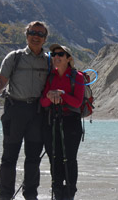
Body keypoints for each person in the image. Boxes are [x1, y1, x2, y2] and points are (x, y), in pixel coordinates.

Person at [0, 21, 49, 200]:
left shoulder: (48, 60)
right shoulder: (14, 57)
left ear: (45, 39)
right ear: (26, 35)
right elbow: (1, 81)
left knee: (33, 158)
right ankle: (4, 196)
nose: (36, 36)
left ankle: (30, 195)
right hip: (15, 110)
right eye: (33, 32)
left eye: (40, 34)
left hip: (37, 113)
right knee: (9, 157)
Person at [40, 44, 84, 200]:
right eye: (53, 54)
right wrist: (50, 97)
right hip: (52, 122)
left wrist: (61, 94)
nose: (56, 57)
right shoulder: (50, 76)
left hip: (71, 122)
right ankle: (58, 192)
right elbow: (44, 103)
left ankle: (69, 193)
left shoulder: (77, 76)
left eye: (60, 54)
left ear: (68, 59)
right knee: (54, 159)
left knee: (70, 159)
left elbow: (77, 102)